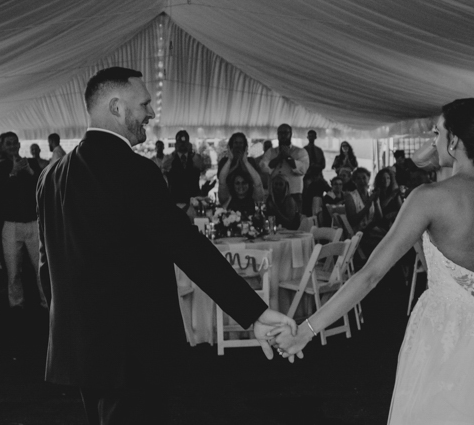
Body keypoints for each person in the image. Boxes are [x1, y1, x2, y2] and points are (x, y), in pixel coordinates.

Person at [36, 67, 294, 424]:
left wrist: (68, 323)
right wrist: (254, 312)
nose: (151, 112)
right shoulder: (135, 170)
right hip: (132, 351)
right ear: (116, 107)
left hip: (78, 347)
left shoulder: (51, 176)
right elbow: (186, 246)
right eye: (144, 104)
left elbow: (47, 265)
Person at [273, 98, 474, 423]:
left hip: (442, 338)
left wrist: (306, 330)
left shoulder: (429, 198)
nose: (433, 142)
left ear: (455, 140)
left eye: (437, 133)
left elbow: (370, 275)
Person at [0, 132, 47, 311]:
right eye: (8, 143)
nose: (12, 146)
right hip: (11, 224)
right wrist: (13, 173)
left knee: (40, 267)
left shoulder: (30, 163)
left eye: (15, 143)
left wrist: (30, 171)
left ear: (19, 144)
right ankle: (16, 304)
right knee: (13, 269)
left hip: (32, 222)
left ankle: (46, 302)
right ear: (3, 146)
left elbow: (41, 188)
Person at [162, 130, 205, 215]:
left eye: (185, 142)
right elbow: (164, 166)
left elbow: (201, 166)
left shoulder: (195, 158)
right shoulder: (170, 158)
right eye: (180, 142)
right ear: (176, 143)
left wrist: (191, 152)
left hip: (194, 201)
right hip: (175, 202)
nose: (182, 145)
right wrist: (175, 152)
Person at [217, 132, 263, 208]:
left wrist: (244, 162)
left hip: (249, 196)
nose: (238, 146)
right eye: (236, 143)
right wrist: (232, 163)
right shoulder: (224, 161)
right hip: (229, 196)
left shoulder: (250, 161)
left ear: (244, 145)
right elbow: (221, 180)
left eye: (241, 143)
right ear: (231, 145)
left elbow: (257, 181)